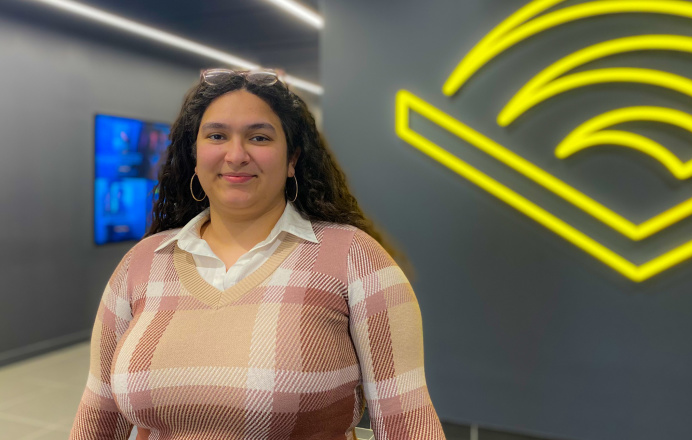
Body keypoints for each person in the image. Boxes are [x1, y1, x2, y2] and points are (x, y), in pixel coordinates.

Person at [70, 69, 446, 440]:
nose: (236, 155)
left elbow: (407, 423)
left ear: (292, 159)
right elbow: (98, 416)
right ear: (195, 155)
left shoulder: (355, 258)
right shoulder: (142, 262)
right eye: (217, 136)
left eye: (259, 137)